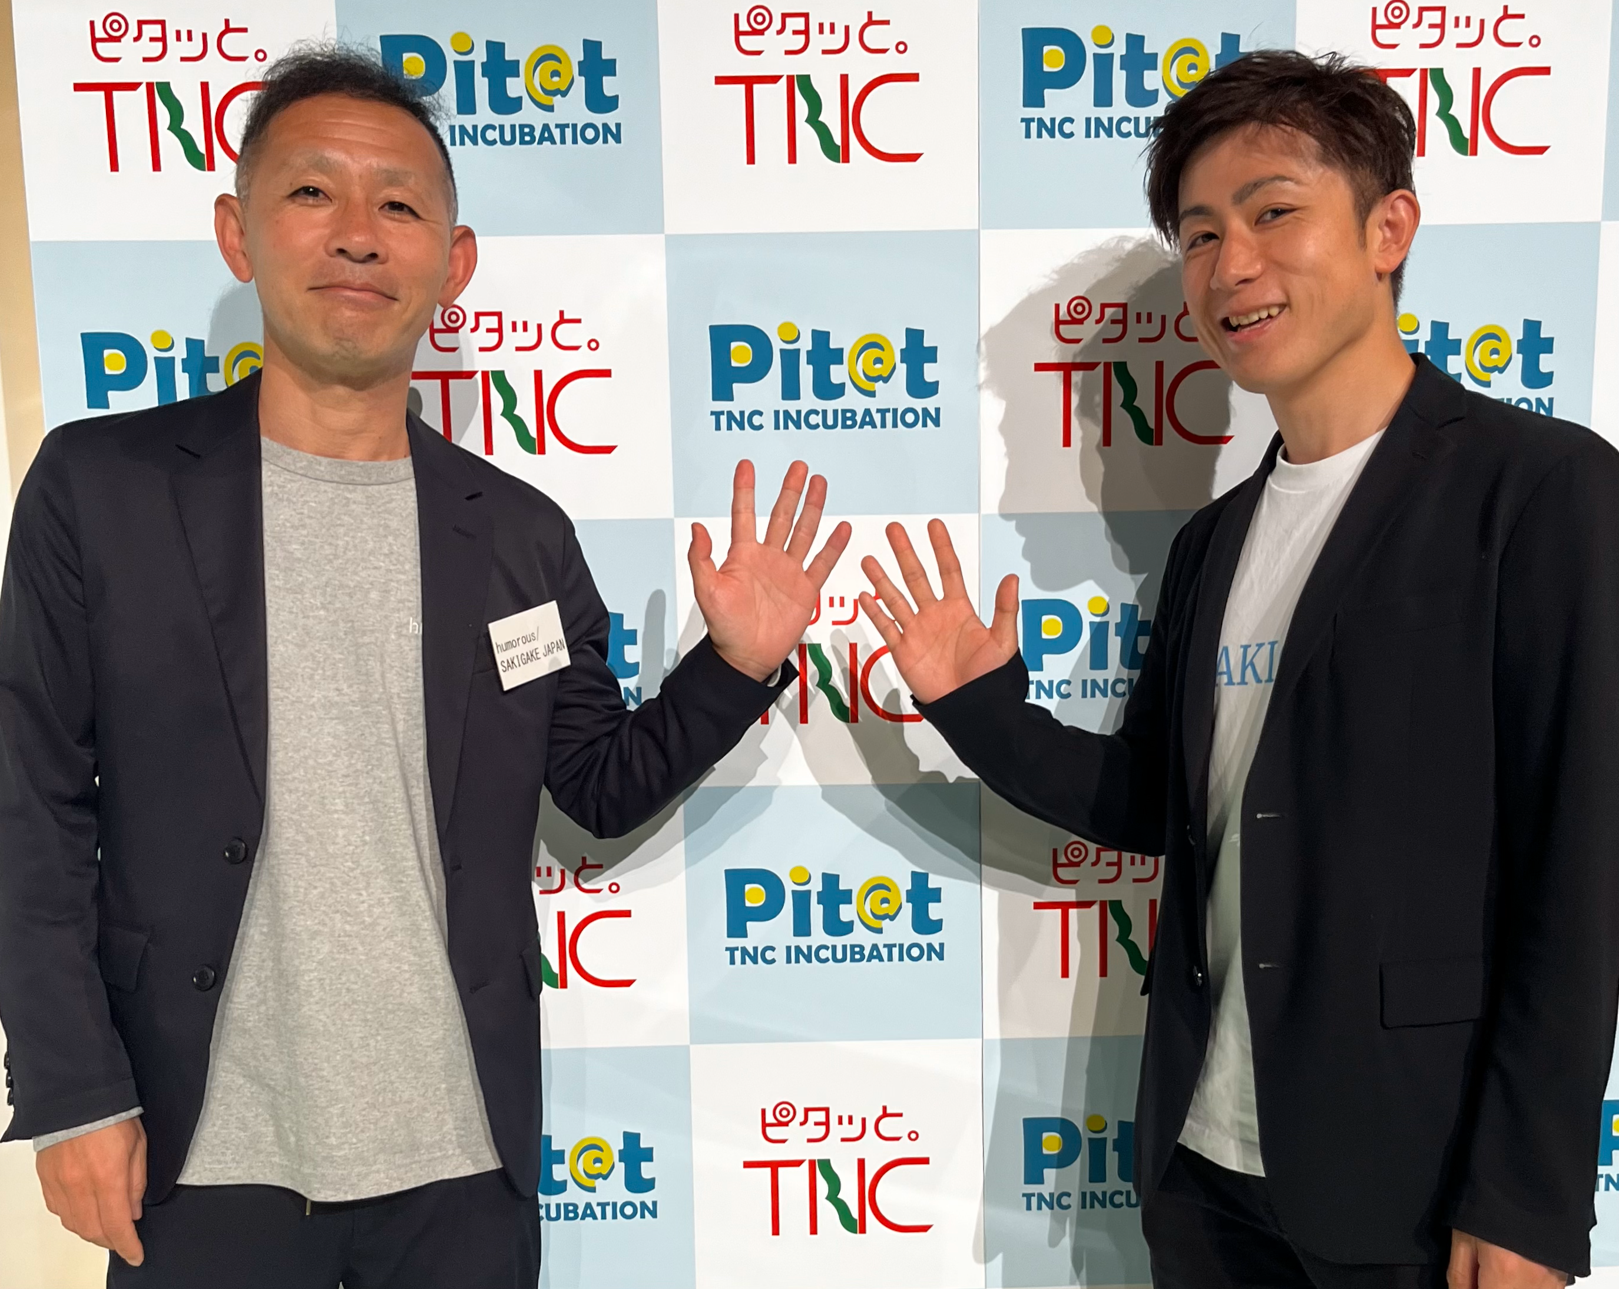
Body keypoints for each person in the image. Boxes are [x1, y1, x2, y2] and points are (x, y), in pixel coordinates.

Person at [0, 47, 849, 1286]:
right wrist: (73, 1090)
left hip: (460, 1156)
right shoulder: (100, 488)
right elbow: (27, 804)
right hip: (199, 1146)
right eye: (312, 192)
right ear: (237, 234)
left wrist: (733, 663)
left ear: (452, 265)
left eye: (397, 204)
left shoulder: (516, 533)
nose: (357, 233)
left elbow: (595, 784)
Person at [861, 50, 1619, 1289]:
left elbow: (1579, 865)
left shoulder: (1539, 489)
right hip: (1206, 1177)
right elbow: (1157, 803)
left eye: (1272, 213)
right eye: (1200, 234)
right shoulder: (1213, 541)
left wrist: (1527, 1198)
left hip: (1417, 1181)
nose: (1231, 266)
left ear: (1387, 229)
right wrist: (972, 702)